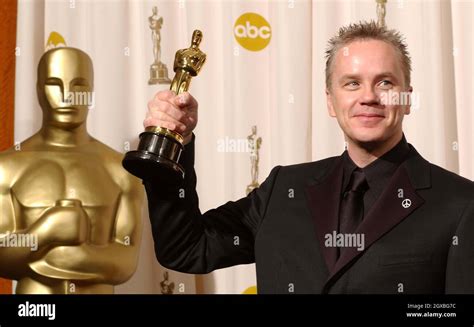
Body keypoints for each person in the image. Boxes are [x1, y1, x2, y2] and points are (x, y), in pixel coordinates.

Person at [142, 21, 474, 294]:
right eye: (352, 83)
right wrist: (175, 145)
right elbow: (186, 248)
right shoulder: (282, 189)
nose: (369, 97)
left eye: (385, 82)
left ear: (407, 99)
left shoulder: (460, 203)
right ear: (331, 101)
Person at [0, 47, 143, 294]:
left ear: (91, 92)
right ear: (38, 90)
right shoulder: (6, 167)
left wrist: (56, 257)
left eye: (78, 85)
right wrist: (45, 231)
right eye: (55, 85)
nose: (67, 96)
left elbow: (126, 263)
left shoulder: (122, 170)